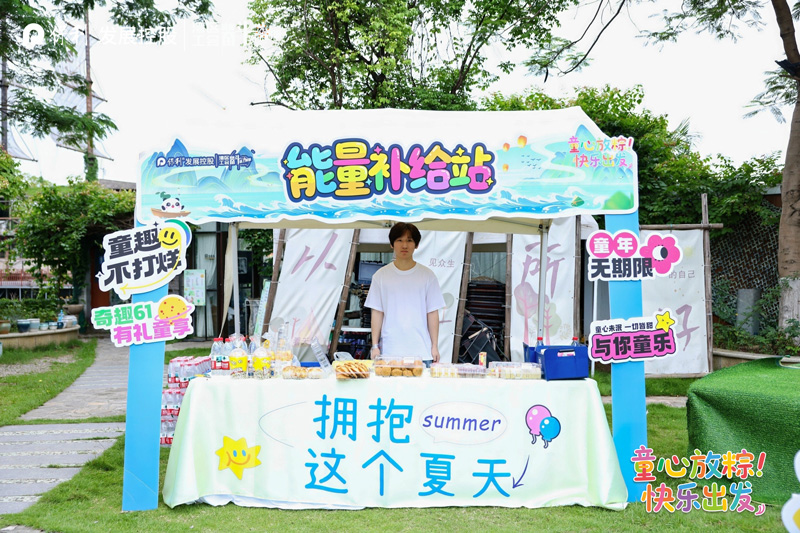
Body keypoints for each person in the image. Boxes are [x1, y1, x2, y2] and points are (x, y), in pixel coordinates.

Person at [364, 222, 445, 367]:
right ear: (392, 244)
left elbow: (432, 312)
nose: (404, 245)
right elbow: (377, 312)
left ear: (416, 245)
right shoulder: (380, 276)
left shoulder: (428, 276)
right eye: (399, 240)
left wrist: (434, 346)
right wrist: (375, 346)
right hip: (390, 352)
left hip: (422, 351)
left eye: (409, 240)